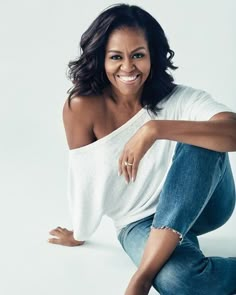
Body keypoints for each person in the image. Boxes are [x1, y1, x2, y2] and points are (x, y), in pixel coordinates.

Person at [48, 4, 236, 295]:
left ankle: (143, 277)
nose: (127, 67)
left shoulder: (180, 99)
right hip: (137, 222)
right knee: (181, 281)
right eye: (115, 57)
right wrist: (79, 232)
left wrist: (155, 129)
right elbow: (85, 176)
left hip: (205, 207)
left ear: (152, 56)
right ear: (101, 59)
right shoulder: (82, 106)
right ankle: (171, 252)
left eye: (138, 55)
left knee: (200, 135)